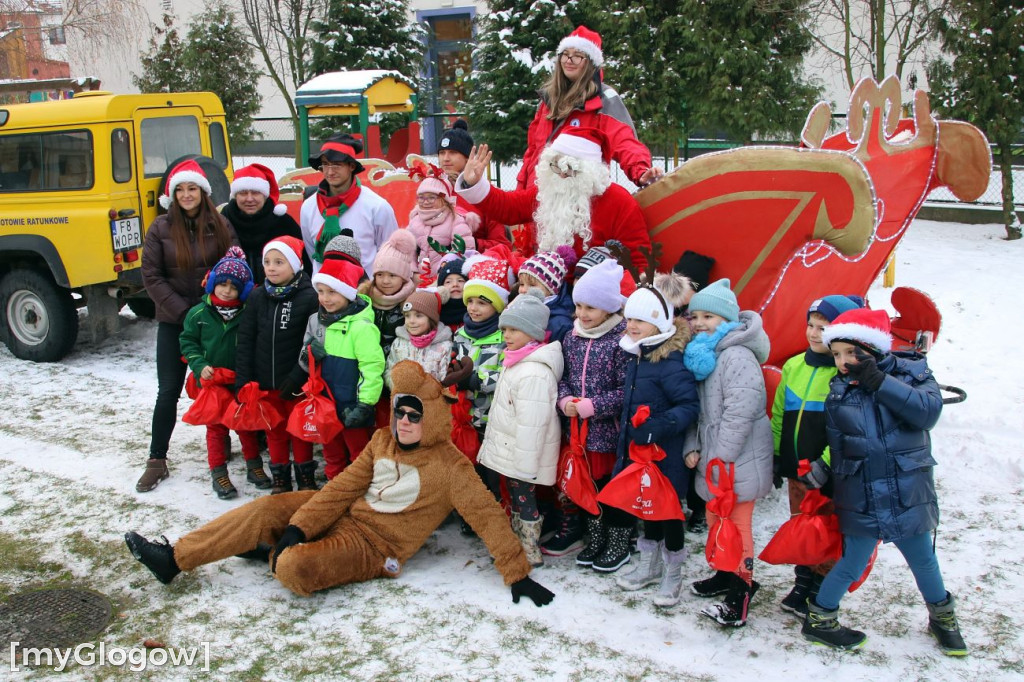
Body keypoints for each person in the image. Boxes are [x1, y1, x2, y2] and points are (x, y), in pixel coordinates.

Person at [124, 361, 556, 608]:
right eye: (400, 413)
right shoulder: (382, 440)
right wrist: (300, 525)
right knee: (265, 511)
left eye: (414, 415)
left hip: (374, 546)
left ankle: (270, 551)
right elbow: (342, 488)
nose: (405, 422)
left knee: (294, 568)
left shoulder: (451, 467)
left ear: (432, 418)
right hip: (343, 514)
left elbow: (486, 517)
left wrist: (516, 573)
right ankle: (175, 559)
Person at [798, 308, 966, 655]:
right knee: (853, 560)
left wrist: (880, 382)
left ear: (872, 347)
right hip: (861, 492)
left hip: (907, 488)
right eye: (837, 354)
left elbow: (927, 413)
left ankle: (943, 618)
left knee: (923, 558)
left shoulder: (913, 372)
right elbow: (838, 444)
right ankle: (819, 619)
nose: (843, 361)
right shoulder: (839, 392)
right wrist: (825, 473)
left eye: (850, 352)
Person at [137, 160, 237, 493]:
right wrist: (185, 314)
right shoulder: (160, 228)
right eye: (179, 189)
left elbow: (234, 268)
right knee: (168, 390)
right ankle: (156, 459)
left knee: (221, 385)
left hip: (217, 321)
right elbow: (151, 276)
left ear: (203, 191)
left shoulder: (221, 225)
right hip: (175, 321)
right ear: (172, 195)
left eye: (192, 188)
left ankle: (223, 445)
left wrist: (214, 310)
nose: (186, 195)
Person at [683, 279, 773, 627]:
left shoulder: (736, 355)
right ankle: (724, 572)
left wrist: (723, 455)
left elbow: (743, 407)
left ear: (728, 320)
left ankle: (742, 589)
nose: (701, 323)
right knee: (716, 520)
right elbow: (700, 410)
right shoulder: (705, 356)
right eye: (696, 316)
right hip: (714, 459)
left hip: (737, 459)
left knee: (737, 525)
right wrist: (694, 445)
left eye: (710, 316)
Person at [770, 294, 863, 616]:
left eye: (822, 328)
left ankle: (822, 587)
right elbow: (780, 412)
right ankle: (802, 582)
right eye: (810, 325)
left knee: (826, 529)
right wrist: (777, 454)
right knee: (801, 527)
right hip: (797, 468)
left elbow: (843, 427)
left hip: (828, 472)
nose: (813, 333)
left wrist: (825, 463)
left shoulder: (843, 374)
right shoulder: (795, 365)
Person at [604, 285, 697, 597]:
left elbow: (688, 406)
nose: (631, 326)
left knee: (668, 513)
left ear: (660, 325)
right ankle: (649, 565)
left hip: (664, 455)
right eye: (629, 319)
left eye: (640, 321)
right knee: (648, 510)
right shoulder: (638, 355)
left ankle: (673, 572)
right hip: (641, 455)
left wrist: (657, 426)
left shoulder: (669, 361)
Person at [457, 127, 651, 264]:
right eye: (555, 167)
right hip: (547, 287)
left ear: (591, 172)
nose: (562, 176)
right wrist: (474, 183)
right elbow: (508, 207)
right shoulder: (549, 190)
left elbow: (638, 260)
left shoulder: (619, 201)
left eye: (570, 170)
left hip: (598, 300)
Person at [547, 259, 629, 556]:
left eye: (590, 308)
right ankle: (593, 537)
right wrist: (565, 400)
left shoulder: (621, 341)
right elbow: (564, 377)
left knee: (606, 487)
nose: (582, 314)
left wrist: (594, 406)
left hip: (607, 434)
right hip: (577, 433)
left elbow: (625, 391)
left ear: (608, 308)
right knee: (585, 485)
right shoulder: (572, 336)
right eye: (578, 306)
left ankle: (616, 540)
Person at [517, 25, 662, 191]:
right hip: (536, 199)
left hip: (576, 202)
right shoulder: (548, 101)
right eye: (566, 54)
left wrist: (641, 171)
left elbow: (625, 142)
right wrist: (520, 193)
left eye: (578, 56)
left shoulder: (604, 100)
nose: (569, 60)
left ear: (591, 64)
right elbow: (532, 154)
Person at [477, 290, 564, 567]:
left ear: (533, 332)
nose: (507, 336)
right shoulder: (516, 360)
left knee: (525, 500)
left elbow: (532, 424)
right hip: (512, 450)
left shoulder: (534, 372)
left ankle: (529, 548)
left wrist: (525, 465)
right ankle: (517, 540)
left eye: (514, 329)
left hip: (523, 455)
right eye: (505, 329)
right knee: (516, 497)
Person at [179, 247, 269, 498]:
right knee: (216, 428)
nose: (227, 290)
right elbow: (188, 342)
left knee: (246, 426)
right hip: (213, 382)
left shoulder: (246, 314)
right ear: (212, 283)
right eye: (222, 284)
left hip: (239, 380)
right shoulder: (198, 314)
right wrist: (198, 364)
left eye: (234, 286)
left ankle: (254, 465)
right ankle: (218, 471)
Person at [235, 237, 319, 494]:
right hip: (264, 383)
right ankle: (280, 476)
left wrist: (298, 375)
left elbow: (313, 341)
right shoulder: (259, 296)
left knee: (299, 431)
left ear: (295, 265)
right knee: (274, 431)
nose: (271, 268)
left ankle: (305, 475)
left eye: (279, 262)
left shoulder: (309, 297)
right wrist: (244, 379)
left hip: (296, 382)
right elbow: (247, 338)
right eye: (267, 262)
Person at [299, 258, 385, 479]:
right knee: (332, 452)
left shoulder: (362, 328)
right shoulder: (315, 321)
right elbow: (304, 362)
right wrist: (308, 355)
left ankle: (360, 493)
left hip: (351, 405)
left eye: (332, 292)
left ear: (347, 293)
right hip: (325, 403)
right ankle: (333, 490)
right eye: (321, 291)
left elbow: (372, 367)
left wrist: (365, 404)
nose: (325, 299)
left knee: (359, 455)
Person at [299, 135, 399, 276]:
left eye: (337, 165)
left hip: (363, 292)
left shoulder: (376, 206)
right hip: (323, 294)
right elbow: (311, 251)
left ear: (351, 166)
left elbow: (390, 254)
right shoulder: (309, 207)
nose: (330, 171)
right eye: (325, 164)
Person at [443, 257, 513, 436]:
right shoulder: (460, 334)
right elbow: (450, 365)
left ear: (497, 306)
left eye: (481, 303)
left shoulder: (503, 338)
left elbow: (504, 378)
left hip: (487, 420)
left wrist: (471, 380)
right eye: (470, 301)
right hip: (458, 416)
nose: (473, 308)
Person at [221, 163, 309, 283]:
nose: (249, 199)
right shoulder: (223, 222)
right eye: (243, 193)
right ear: (235, 195)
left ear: (265, 195)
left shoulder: (283, 223)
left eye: (255, 193)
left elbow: (305, 264)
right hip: (231, 293)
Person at [436, 119, 511, 252]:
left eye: (452, 152)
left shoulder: (483, 193)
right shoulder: (431, 189)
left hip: (474, 264)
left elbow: (502, 245)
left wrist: (474, 244)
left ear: (467, 158)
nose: (445, 158)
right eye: (442, 153)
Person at [360, 229, 419, 361]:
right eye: (380, 275)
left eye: (392, 275)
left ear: (403, 277)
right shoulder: (363, 300)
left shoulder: (412, 304)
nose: (385, 281)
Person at [405, 168, 474, 276]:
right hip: (419, 278)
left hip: (446, 279)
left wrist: (444, 274)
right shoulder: (415, 220)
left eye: (432, 198)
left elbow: (465, 251)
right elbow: (407, 249)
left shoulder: (456, 221)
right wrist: (413, 272)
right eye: (421, 198)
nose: (425, 202)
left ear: (444, 199)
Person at [386, 289, 453, 387]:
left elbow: (446, 380)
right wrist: (398, 386)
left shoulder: (445, 346)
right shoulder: (399, 342)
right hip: (402, 398)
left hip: (432, 399)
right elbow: (389, 370)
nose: (411, 321)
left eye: (418, 316)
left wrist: (424, 391)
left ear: (431, 318)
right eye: (407, 316)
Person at [516, 247, 577, 343]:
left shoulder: (561, 324)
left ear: (551, 289)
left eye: (532, 285)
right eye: (521, 284)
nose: (523, 290)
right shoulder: (518, 309)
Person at [436, 255, 468, 332]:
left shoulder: (475, 312)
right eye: (448, 282)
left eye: (460, 281)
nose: (455, 284)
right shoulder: (435, 311)